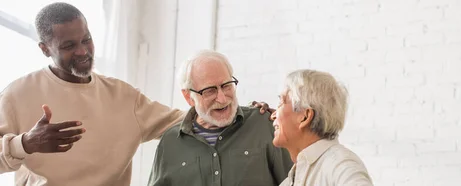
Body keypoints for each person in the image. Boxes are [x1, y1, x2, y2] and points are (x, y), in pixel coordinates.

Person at [0, 2, 271, 186]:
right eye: (69, 45)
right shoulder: (17, 95)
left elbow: (191, 118)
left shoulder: (123, 97)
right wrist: (24, 144)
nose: (83, 51)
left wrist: (247, 112)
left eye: (86, 39)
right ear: (45, 49)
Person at [148, 50, 293, 186]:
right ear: (188, 97)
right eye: (210, 91)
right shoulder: (170, 143)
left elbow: (297, 180)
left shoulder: (262, 124)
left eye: (226, 85)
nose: (222, 99)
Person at [271, 69, 373, 186]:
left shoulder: (340, 165)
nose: (273, 115)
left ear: (305, 117)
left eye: (281, 103)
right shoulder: (290, 180)